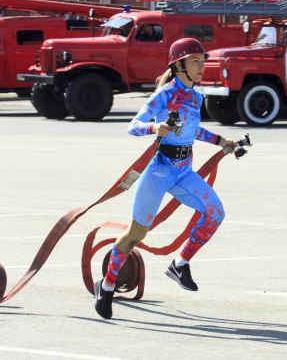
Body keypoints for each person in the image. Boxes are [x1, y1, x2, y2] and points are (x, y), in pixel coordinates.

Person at [94, 38, 239, 320]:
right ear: (179, 64)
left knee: (215, 213)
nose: (201, 66)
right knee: (137, 234)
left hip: (184, 171)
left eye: (202, 60)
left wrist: (222, 141)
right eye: (195, 61)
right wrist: (155, 127)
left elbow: (192, 131)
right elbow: (132, 127)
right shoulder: (164, 94)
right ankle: (107, 285)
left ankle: (180, 264)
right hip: (159, 170)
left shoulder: (196, 96)